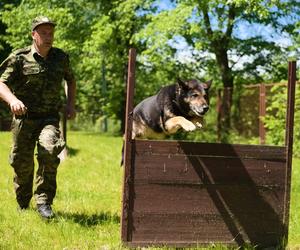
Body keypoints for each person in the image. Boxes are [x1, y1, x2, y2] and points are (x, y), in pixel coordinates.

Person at [0, 16, 76, 219]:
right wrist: (12, 100)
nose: (48, 36)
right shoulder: (19, 57)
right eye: (43, 32)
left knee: (49, 152)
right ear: (34, 34)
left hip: (49, 118)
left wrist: (70, 104)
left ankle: (44, 202)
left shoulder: (61, 58)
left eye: (51, 32)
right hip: (24, 118)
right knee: (21, 162)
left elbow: (70, 79)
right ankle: (23, 202)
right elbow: (1, 83)